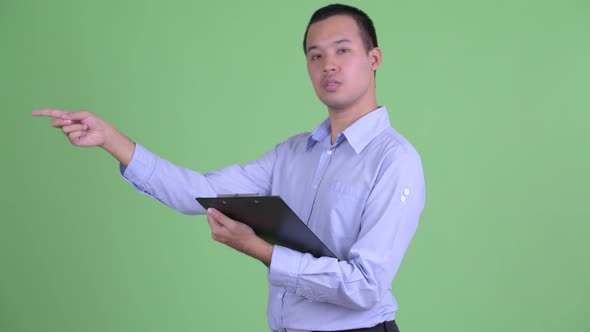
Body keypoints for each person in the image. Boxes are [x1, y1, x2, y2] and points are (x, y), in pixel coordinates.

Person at [32, 4, 425, 332]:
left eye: (342, 51)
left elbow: (367, 287)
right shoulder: (292, 153)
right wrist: (111, 140)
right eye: (315, 55)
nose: (328, 66)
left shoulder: (394, 160)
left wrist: (262, 251)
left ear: (374, 59)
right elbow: (198, 192)